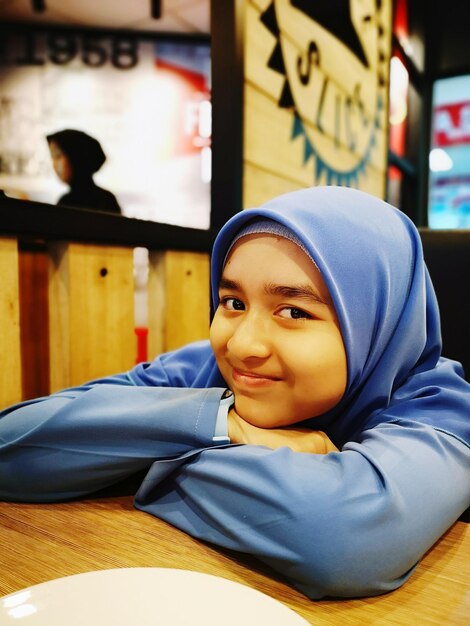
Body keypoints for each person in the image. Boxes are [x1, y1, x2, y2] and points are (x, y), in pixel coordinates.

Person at [1, 186, 469, 600]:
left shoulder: (441, 405)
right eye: (233, 303)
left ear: (376, 322)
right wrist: (221, 423)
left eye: (293, 311)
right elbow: (10, 443)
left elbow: (346, 539)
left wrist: (139, 456)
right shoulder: (207, 366)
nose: (242, 344)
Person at [46, 129, 122, 214]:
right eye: (52, 157)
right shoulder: (65, 201)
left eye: (58, 156)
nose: (54, 164)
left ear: (76, 158)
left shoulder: (105, 201)